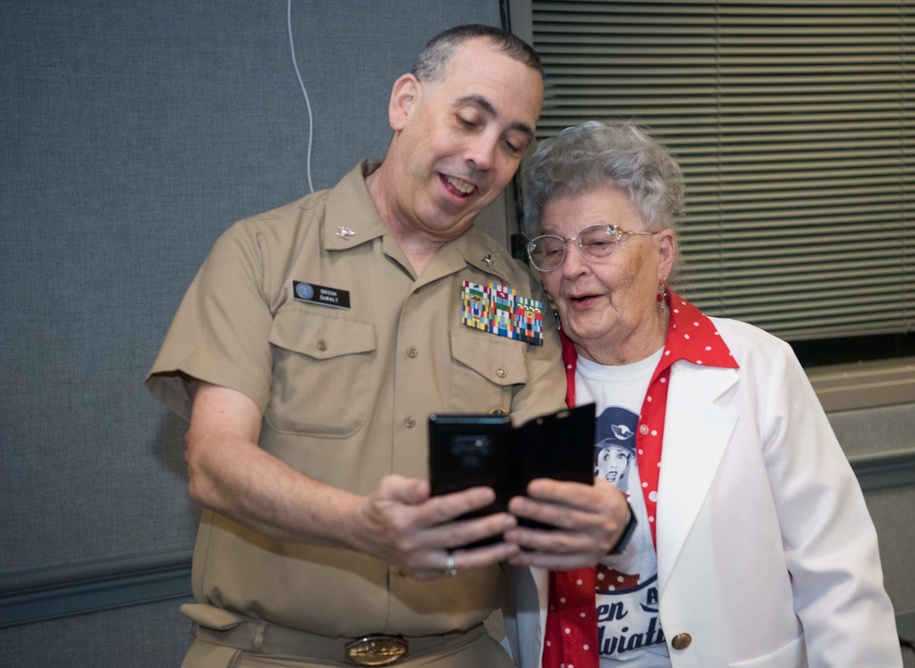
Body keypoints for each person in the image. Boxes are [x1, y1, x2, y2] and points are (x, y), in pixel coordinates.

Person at [145, 26, 628, 668]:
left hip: (457, 653)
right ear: (405, 103)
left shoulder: (515, 295)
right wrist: (360, 524)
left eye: (512, 143)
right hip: (276, 654)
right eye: (468, 119)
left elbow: (539, 476)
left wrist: (600, 515)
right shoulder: (263, 252)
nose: (485, 156)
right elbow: (213, 460)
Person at [503, 121, 903, 667]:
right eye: (551, 249)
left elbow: (837, 576)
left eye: (599, 242)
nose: (572, 268)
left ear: (662, 253)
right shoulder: (520, 377)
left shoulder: (756, 366)